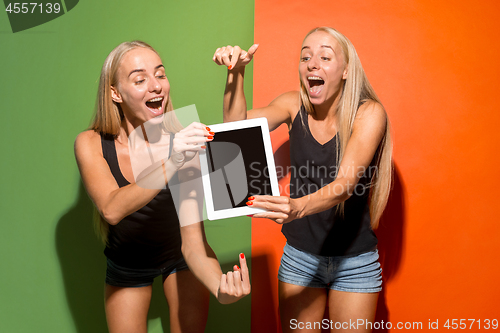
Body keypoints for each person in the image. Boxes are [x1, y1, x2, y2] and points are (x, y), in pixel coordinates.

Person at [213, 27, 392, 332]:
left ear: (346, 70)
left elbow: (344, 184)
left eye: (325, 56)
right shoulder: (292, 105)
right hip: (300, 258)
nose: (312, 63)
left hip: (355, 262)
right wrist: (236, 73)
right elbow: (234, 128)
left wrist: (296, 208)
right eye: (305, 56)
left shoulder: (369, 113)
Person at [74, 41, 250, 333]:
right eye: (140, 79)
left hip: (179, 257)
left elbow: (192, 243)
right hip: (126, 262)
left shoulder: (182, 138)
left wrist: (221, 288)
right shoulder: (91, 143)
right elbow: (111, 209)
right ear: (115, 93)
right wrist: (173, 160)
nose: (156, 86)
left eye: (160, 74)